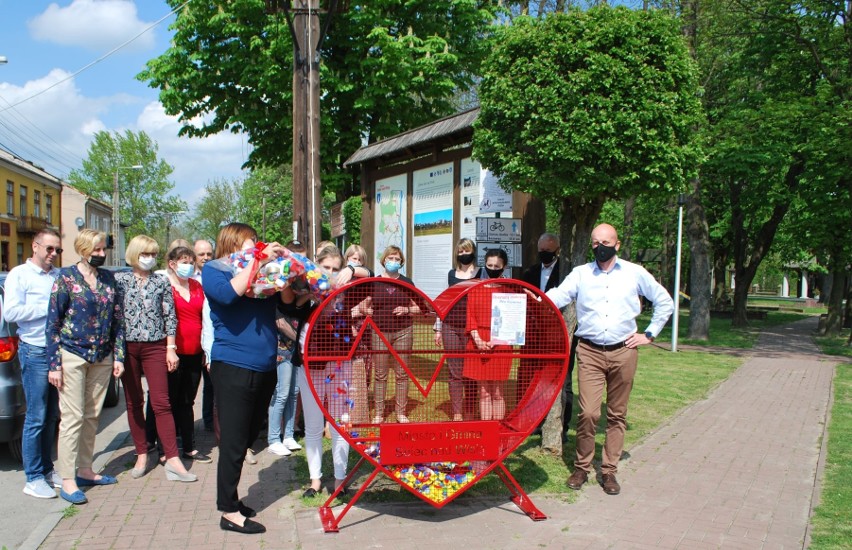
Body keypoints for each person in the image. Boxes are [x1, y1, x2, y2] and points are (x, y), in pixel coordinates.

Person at [546, 223, 673, 495]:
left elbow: (665, 301)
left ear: (617, 244)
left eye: (605, 242)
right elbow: (558, 296)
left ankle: (609, 471)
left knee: (616, 414)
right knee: (589, 413)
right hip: (590, 351)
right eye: (595, 242)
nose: (600, 247)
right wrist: (532, 300)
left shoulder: (634, 273)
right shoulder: (581, 274)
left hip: (623, 351)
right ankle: (582, 467)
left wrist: (649, 334)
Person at [204, 223, 286, 535]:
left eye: (257, 244)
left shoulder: (261, 272)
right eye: (250, 244)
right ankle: (227, 510)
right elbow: (227, 295)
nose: (256, 248)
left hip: (265, 366)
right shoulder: (215, 270)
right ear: (233, 243)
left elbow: (285, 302)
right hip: (234, 365)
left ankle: (234, 500)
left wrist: (286, 264)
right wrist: (256, 260)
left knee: (251, 433)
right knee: (234, 442)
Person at [46, 229, 125, 505]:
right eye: (97, 250)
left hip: (101, 356)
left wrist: (119, 356)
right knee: (72, 417)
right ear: (82, 249)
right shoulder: (65, 278)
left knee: (92, 415)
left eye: (104, 250)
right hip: (72, 354)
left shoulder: (108, 279)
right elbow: (52, 324)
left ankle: (85, 470)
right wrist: (54, 365)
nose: (102, 255)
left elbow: (118, 321)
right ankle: (67, 479)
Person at [115, 236, 196, 483]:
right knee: (134, 401)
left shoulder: (160, 281)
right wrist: (117, 354)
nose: (149, 258)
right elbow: (115, 320)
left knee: (161, 402)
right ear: (134, 254)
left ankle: (172, 458)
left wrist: (171, 348)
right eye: (145, 253)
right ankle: (142, 453)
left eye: (153, 254)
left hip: (155, 346)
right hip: (128, 347)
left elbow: (170, 316)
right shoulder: (120, 281)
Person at [281, 245, 354, 498]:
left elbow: (369, 274)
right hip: (310, 364)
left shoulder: (348, 289)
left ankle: (340, 480)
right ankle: (315, 481)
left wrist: (352, 269)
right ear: (317, 266)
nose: (331, 273)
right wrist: (312, 294)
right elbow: (288, 304)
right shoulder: (304, 290)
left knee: (339, 424)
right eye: (327, 268)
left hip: (340, 363)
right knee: (313, 425)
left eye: (336, 268)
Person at [5, 229, 62, 499]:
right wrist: (48, 308)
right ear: (35, 246)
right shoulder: (20, 274)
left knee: (52, 415)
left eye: (57, 250)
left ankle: (48, 469)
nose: (53, 254)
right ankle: (33, 476)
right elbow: (12, 312)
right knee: (36, 416)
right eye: (49, 249)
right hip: (34, 349)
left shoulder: (57, 275)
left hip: (55, 351)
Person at [146, 246, 211, 463]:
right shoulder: (164, 286)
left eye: (191, 261)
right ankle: (166, 448)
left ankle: (190, 447)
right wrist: (167, 349)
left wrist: (205, 349)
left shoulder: (196, 286)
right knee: (169, 401)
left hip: (195, 351)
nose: (189, 265)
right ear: (172, 264)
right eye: (184, 261)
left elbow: (205, 318)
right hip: (171, 352)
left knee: (187, 401)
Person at [356, 245, 421, 424]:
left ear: (401, 262)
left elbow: (419, 307)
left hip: (403, 331)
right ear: (384, 260)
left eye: (397, 259)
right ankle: (379, 413)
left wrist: (406, 309)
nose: (393, 262)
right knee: (380, 374)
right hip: (379, 332)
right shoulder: (374, 282)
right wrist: (368, 312)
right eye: (390, 258)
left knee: (402, 373)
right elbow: (363, 304)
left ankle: (401, 412)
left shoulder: (407, 282)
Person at [519, 232, 569, 433]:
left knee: (561, 379)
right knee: (531, 377)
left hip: (559, 335)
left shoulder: (567, 273)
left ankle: (560, 426)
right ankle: (532, 421)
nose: (545, 254)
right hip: (534, 334)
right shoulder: (529, 272)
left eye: (549, 251)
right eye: (542, 251)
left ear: (557, 250)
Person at [435, 238, 483, 421]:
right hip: (451, 325)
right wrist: (438, 328)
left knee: (471, 372)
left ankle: (470, 409)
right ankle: (457, 412)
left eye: (467, 251)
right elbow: (445, 301)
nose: (464, 255)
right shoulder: (451, 274)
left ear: (473, 252)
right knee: (455, 372)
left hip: (473, 329)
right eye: (461, 252)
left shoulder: (482, 272)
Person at [464, 249, 511, 421]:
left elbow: (513, 318)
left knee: (497, 391)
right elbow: (470, 316)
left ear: (503, 267)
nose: (492, 268)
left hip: (501, 342)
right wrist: (477, 339)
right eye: (489, 265)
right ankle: (486, 432)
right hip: (478, 342)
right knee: (483, 391)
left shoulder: (510, 290)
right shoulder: (475, 288)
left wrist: (495, 339)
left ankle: (497, 430)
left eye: (496, 266)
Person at [193, 239, 215, 430]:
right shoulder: (190, 280)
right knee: (190, 388)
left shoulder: (216, 276)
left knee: (211, 384)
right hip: (191, 342)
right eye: (202, 254)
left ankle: (209, 422)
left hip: (210, 339)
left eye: (209, 253)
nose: (206, 258)